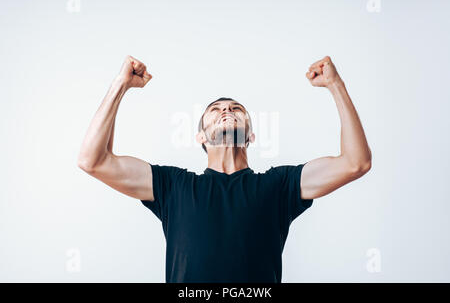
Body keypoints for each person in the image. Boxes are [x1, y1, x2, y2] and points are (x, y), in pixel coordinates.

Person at [77, 55, 372, 283]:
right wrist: (120, 85)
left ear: (252, 135)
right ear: (201, 137)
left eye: (236, 109)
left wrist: (336, 85)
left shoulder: (279, 185)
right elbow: (93, 160)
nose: (227, 110)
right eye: (216, 110)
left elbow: (355, 163)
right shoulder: (173, 186)